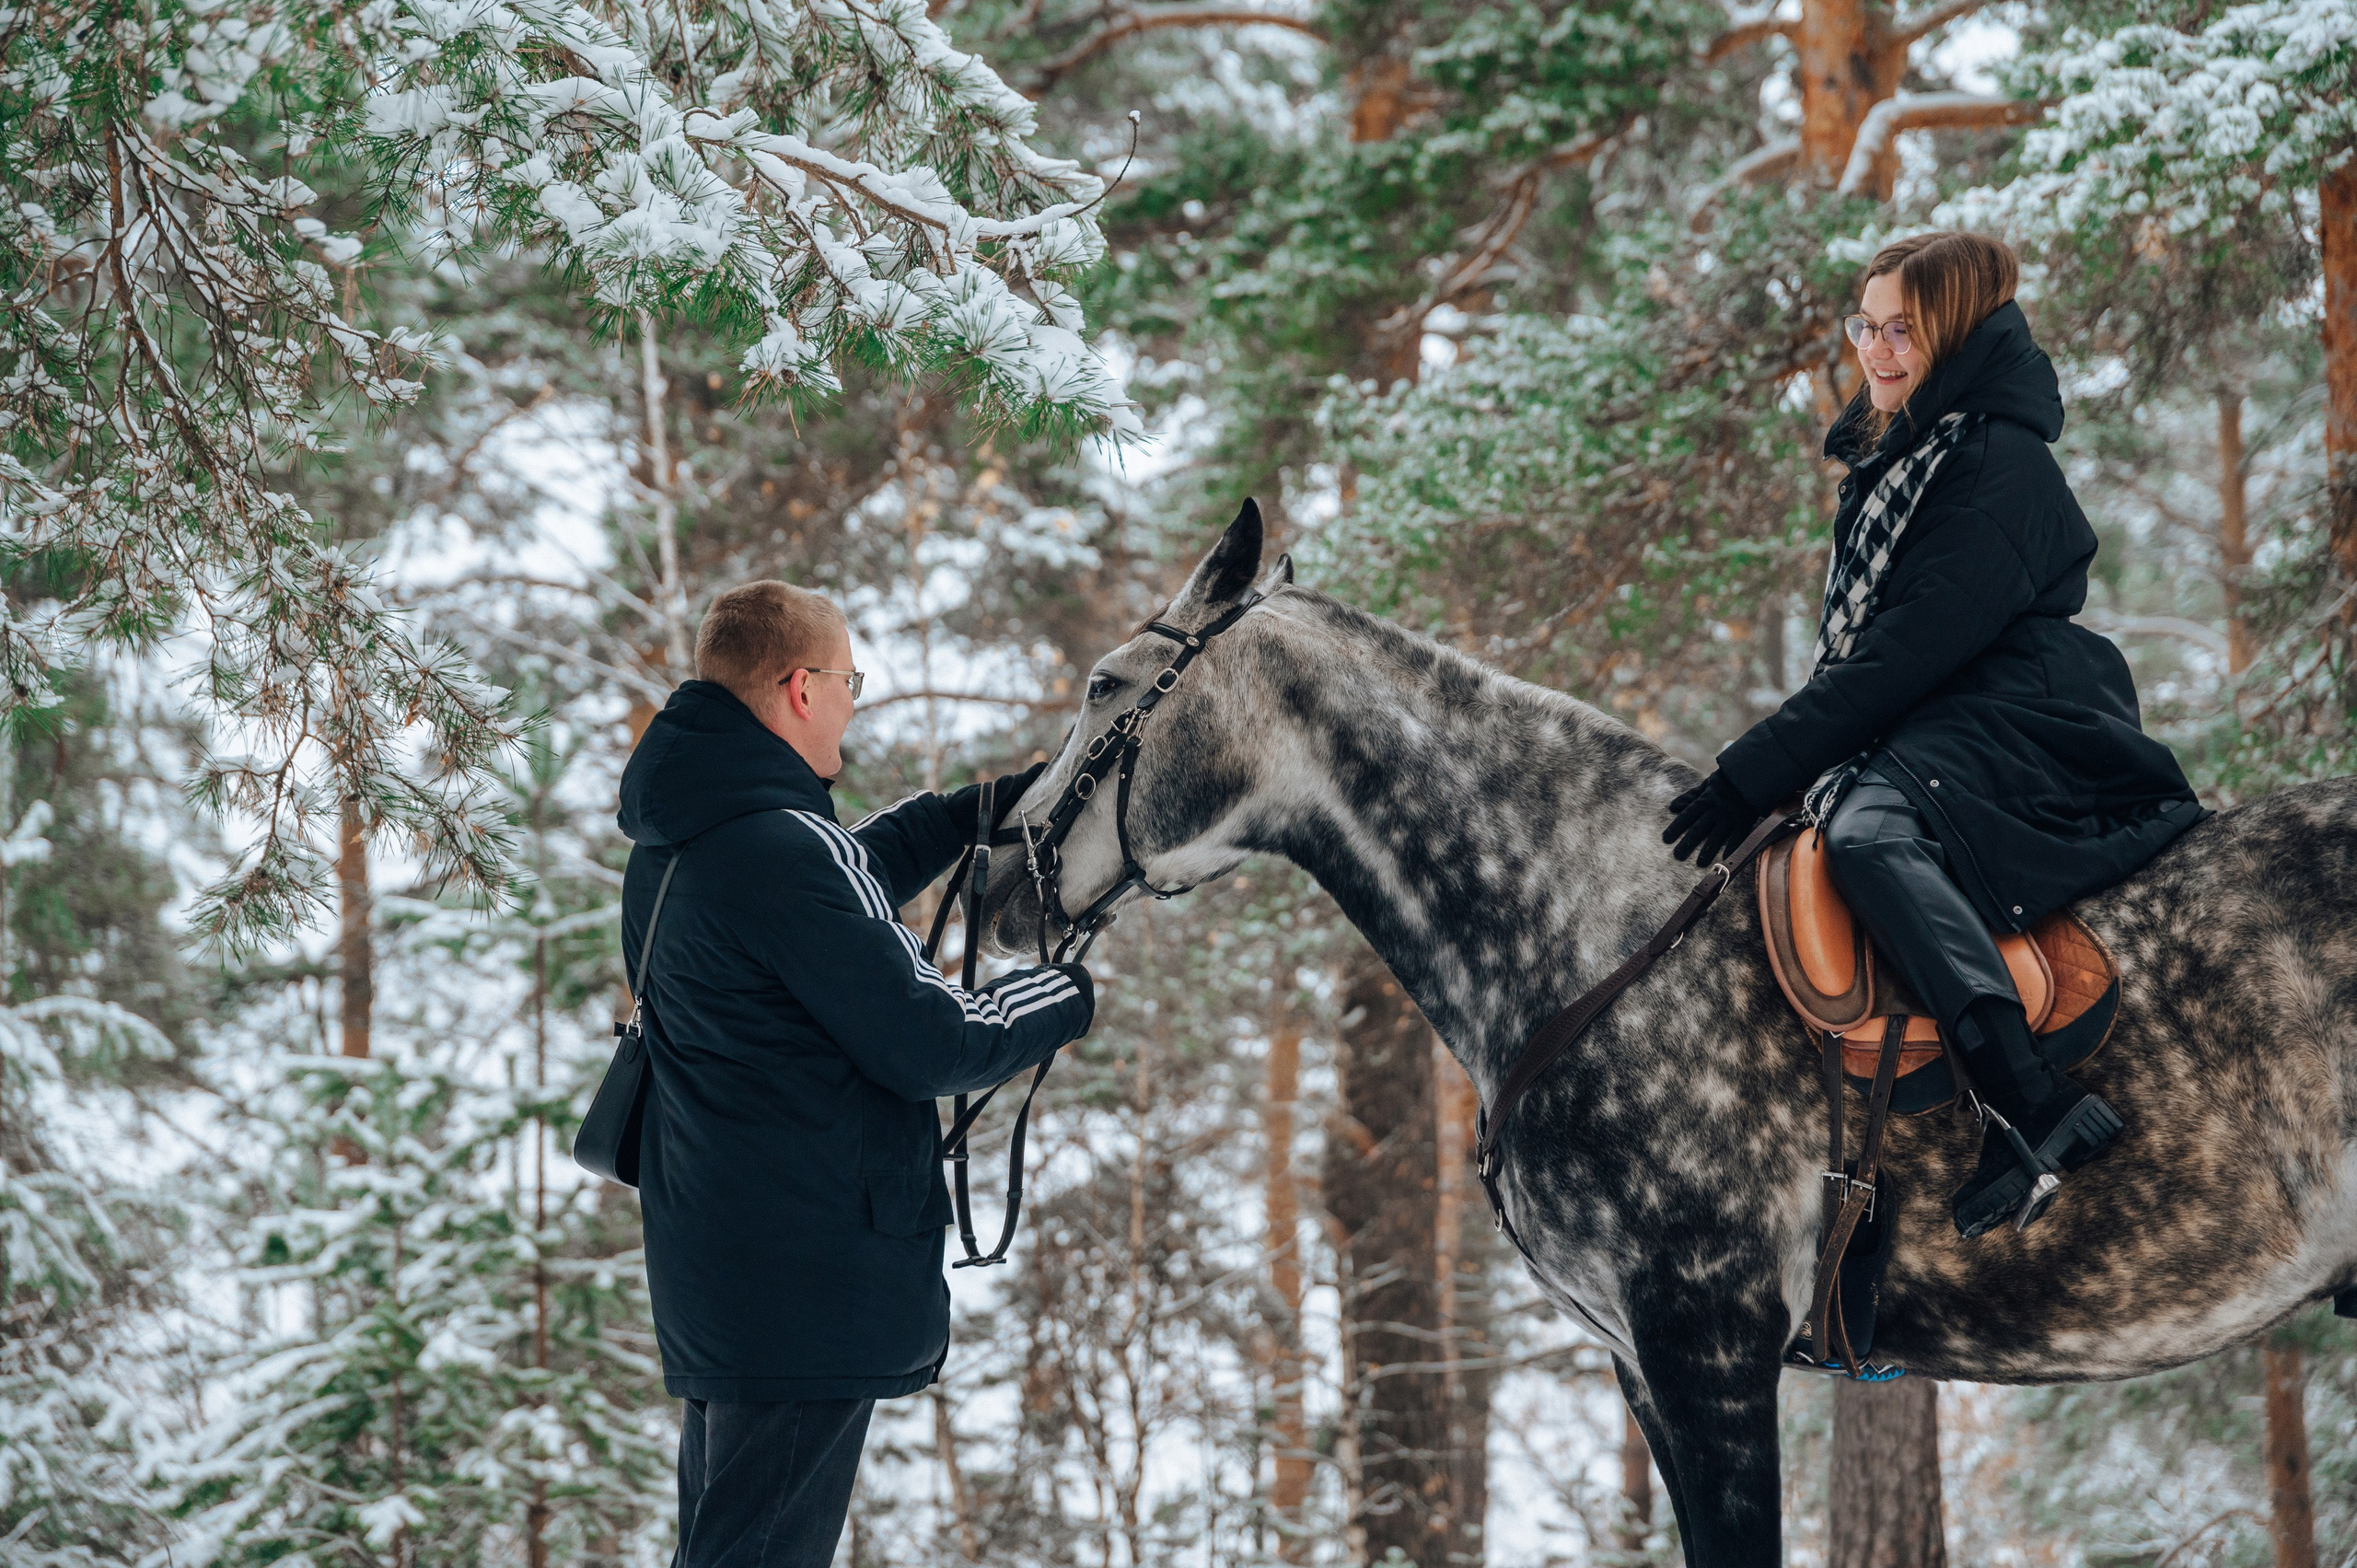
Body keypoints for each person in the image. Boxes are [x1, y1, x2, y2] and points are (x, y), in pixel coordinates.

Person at [1661, 231, 2206, 1239]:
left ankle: (2025, 1097)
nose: (1875, 349)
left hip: (2024, 714)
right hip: (1945, 711)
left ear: (1951, 331)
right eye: (1864, 326)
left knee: (1866, 832)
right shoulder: (1899, 457)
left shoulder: (1997, 461)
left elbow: (1905, 653)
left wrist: (1752, 769)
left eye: (1901, 329)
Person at [616, 580, 1094, 1566]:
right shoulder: (777, 850)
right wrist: (1063, 994)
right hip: (802, 1284)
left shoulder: (690, 835)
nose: (852, 699)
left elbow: (833, 885)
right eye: (848, 679)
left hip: (730, 1276)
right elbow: (930, 1044)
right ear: (799, 687)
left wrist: (969, 813)